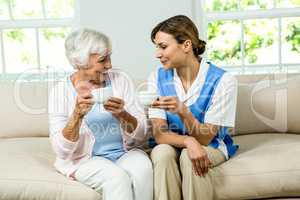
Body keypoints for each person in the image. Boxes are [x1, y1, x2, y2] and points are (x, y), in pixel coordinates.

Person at [48, 28, 153, 200]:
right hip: (85, 160)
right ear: (79, 63)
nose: (109, 65)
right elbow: (62, 152)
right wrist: (77, 116)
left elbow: (141, 135)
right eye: (103, 60)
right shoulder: (60, 91)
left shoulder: (121, 79)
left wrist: (123, 115)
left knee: (143, 169)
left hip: (124, 153)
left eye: (109, 57)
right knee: (116, 178)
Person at [147, 15, 239, 200]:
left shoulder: (223, 81)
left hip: (210, 144)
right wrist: (188, 141)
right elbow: (159, 135)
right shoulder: (157, 77)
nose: (157, 54)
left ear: (186, 45)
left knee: (190, 158)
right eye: (156, 47)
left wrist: (183, 111)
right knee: (161, 153)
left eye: (163, 47)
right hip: (172, 143)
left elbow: (205, 139)